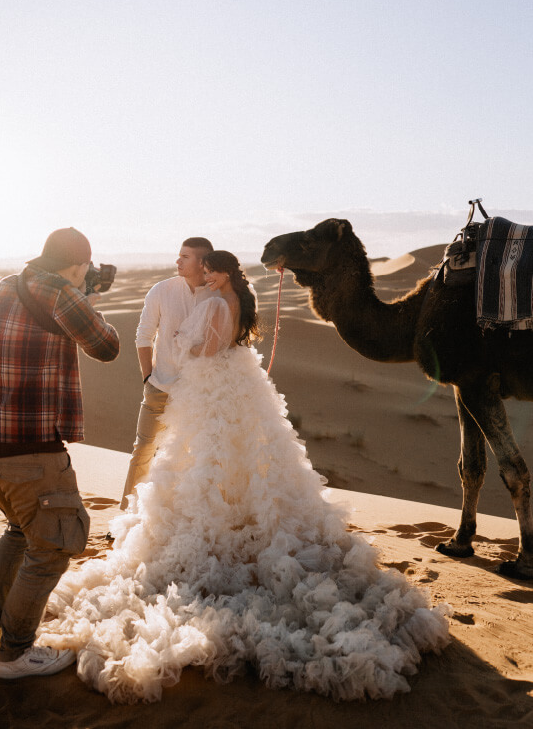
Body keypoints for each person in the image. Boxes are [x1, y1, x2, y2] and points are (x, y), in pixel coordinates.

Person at [40, 251, 449, 704]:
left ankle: (222, 526)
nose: (207, 276)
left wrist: (182, 341)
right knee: (242, 459)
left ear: (223, 273)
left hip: (214, 389)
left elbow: (207, 349)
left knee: (211, 461)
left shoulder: (215, 303)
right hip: (238, 386)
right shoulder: (240, 301)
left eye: (211, 270)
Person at [0, 227, 120, 679]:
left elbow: (46, 311)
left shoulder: (5, 285)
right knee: (55, 543)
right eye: (84, 268)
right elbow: (106, 346)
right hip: (29, 447)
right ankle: (14, 654)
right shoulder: (62, 294)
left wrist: (78, 286)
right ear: (76, 266)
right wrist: (83, 293)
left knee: (20, 528)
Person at [120, 237, 214, 509]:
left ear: (202, 263)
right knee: (143, 451)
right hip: (160, 386)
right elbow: (143, 335)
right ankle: (125, 516)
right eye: (179, 255)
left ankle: (179, 515)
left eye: (185, 256)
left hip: (199, 392)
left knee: (194, 457)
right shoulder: (161, 290)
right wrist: (148, 377)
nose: (178, 261)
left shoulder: (217, 295)